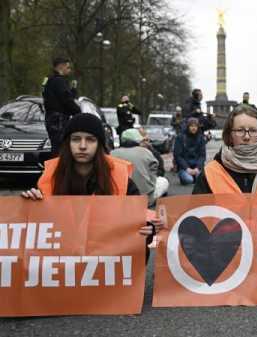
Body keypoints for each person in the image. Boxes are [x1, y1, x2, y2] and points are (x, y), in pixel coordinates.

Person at [20, 114, 160, 251]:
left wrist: (149, 227)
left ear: (99, 144)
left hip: (106, 260)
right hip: (64, 260)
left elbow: (141, 218)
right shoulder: (50, 177)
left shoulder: (119, 177)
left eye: (90, 140)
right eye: (76, 139)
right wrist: (29, 205)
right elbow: (34, 227)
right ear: (67, 143)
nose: (82, 146)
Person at [192, 105, 257, 194]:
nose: (247, 137)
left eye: (253, 130)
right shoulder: (210, 172)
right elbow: (196, 215)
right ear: (230, 135)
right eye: (240, 130)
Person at [111, 128, 169, 206]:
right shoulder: (146, 152)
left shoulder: (111, 153)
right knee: (163, 181)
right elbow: (158, 171)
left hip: (118, 200)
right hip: (144, 199)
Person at [42, 57, 81, 157]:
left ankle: (58, 170)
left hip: (53, 118)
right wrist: (78, 112)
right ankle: (58, 170)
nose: (69, 70)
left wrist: (73, 91)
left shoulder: (50, 80)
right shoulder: (59, 81)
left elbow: (64, 97)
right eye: (68, 67)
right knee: (60, 148)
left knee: (57, 146)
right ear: (61, 66)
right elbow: (66, 100)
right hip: (59, 119)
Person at [174, 118, 207, 185]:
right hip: (185, 167)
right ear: (188, 126)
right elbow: (178, 156)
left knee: (202, 179)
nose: (193, 128)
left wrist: (197, 168)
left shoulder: (201, 138)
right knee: (189, 180)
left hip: (197, 167)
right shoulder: (180, 137)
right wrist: (187, 168)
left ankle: (195, 177)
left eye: (195, 126)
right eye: (191, 126)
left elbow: (202, 155)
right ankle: (186, 177)